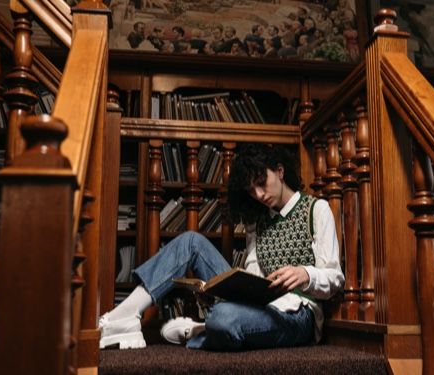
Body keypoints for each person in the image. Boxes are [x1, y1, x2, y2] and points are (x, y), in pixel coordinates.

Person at [98, 143, 344, 351]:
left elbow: (335, 278)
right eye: (251, 190)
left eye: (262, 182)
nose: (259, 194)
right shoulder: (257, 221)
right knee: (191, 241)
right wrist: (223, 286)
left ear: (279, 171)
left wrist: (305, 274)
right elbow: (254, 274)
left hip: (298, 314)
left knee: (224, 317)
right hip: (259, 304)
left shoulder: (316, 210)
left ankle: (199, 330)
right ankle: (126, 316)